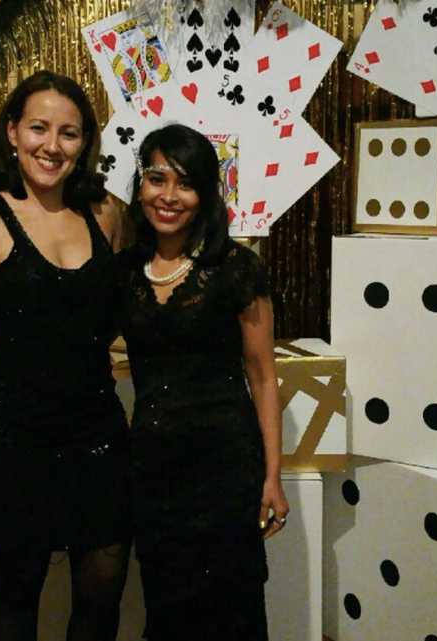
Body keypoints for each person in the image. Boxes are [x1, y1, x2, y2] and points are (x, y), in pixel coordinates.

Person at [0, 70, 131, 641]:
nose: (52, 145)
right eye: (39, 128)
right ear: (13, 133)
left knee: (101, 599)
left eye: (68, 133)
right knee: (17, 596)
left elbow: (119, 315)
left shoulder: (106, 216)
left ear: (84, 143)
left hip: (97, 433)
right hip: (11, 441)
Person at [115, 123, 289, 640]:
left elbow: (262, 377)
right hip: (154, 472)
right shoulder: (124, 271)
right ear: (139, 185)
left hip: (225, 471)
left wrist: (272, 476)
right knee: (167, 610)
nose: (168, 196)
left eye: (185, 183)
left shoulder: (236, 268)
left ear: (206, 195)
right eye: (156, 178)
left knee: (230, 609)